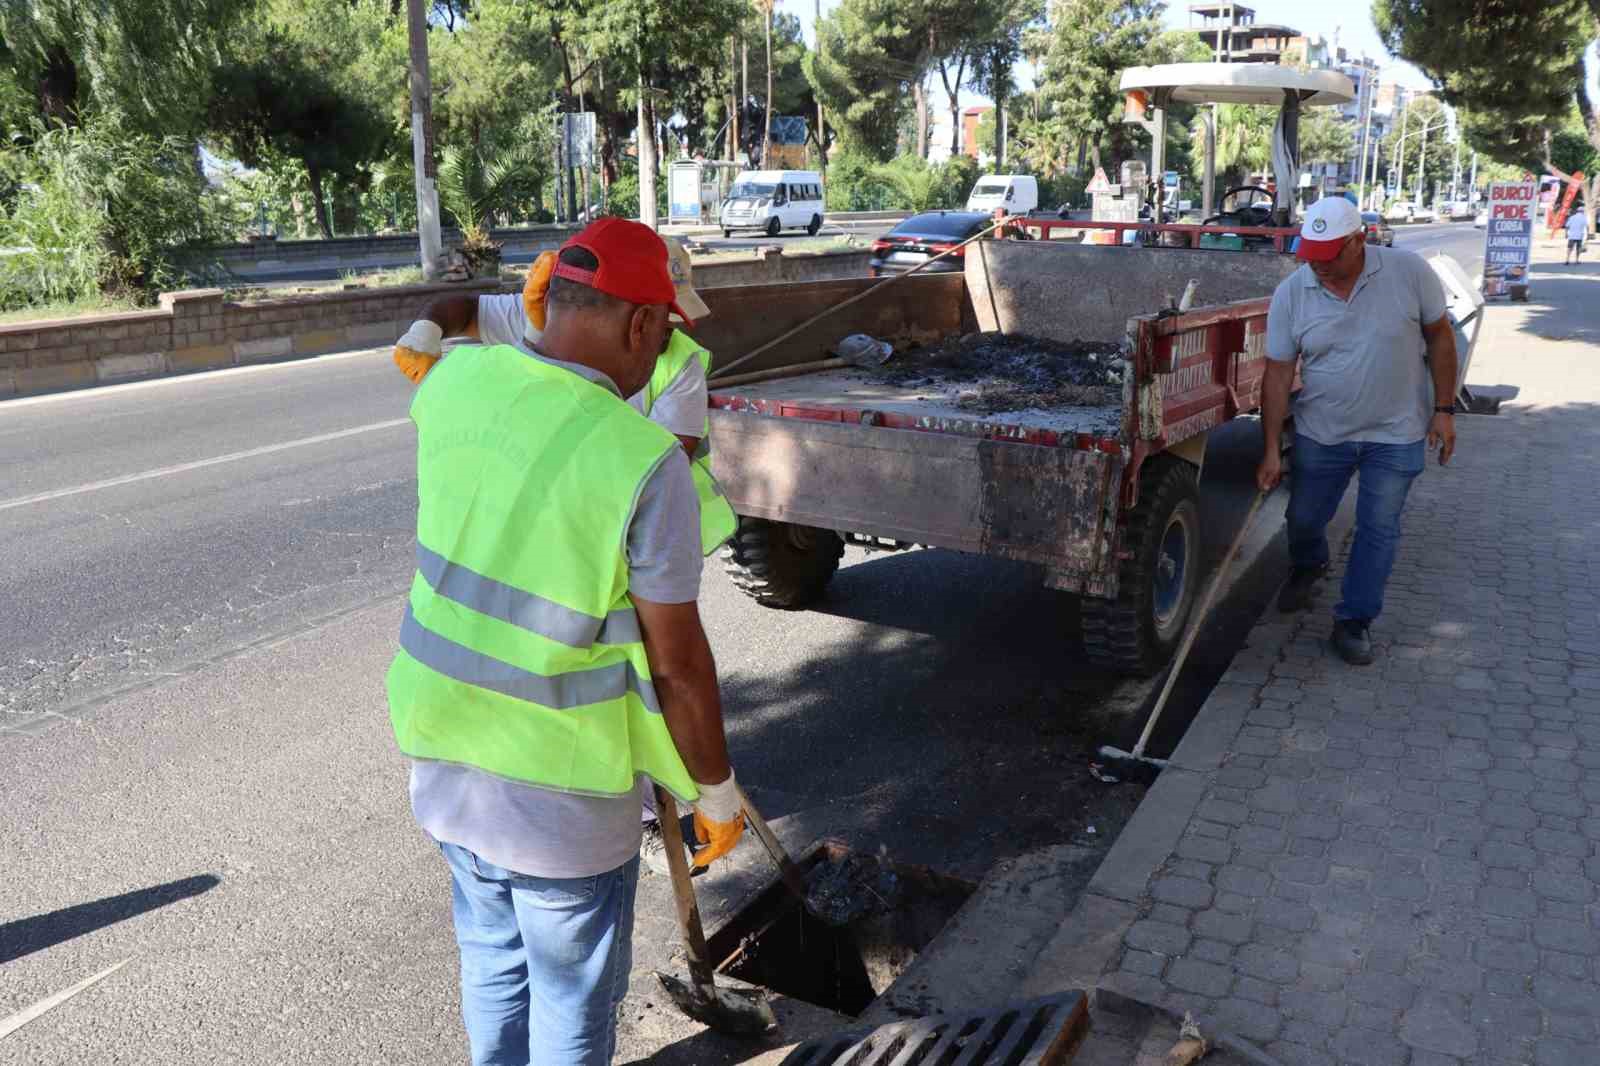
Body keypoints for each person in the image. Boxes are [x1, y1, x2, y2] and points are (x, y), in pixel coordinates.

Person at [387, 218, 747, 1066]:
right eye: (664, 328)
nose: (664, 348)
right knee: (570, 1003)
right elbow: (678, 667)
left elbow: (450, 326)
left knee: (493, 966)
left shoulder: (453, 387)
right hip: (561, 803)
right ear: (639, 325)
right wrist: (715, 792)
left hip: (444, 758)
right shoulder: (644, 462)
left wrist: (429, 327)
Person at [1256, 196, 1459, 666]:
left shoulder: (1409, 273)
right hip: (1322, 432)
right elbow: (1279, 373)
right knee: (1303, 519)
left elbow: (1440, 336)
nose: (1318, 268)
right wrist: (1270, 449)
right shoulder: (1293, 292)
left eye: (1329, 256)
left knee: (1378, 529)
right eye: (1311, 256)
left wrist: (1444, 409)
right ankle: (1309, 564)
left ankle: (1354, 621)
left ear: (1358, 241)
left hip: (1397, 432)